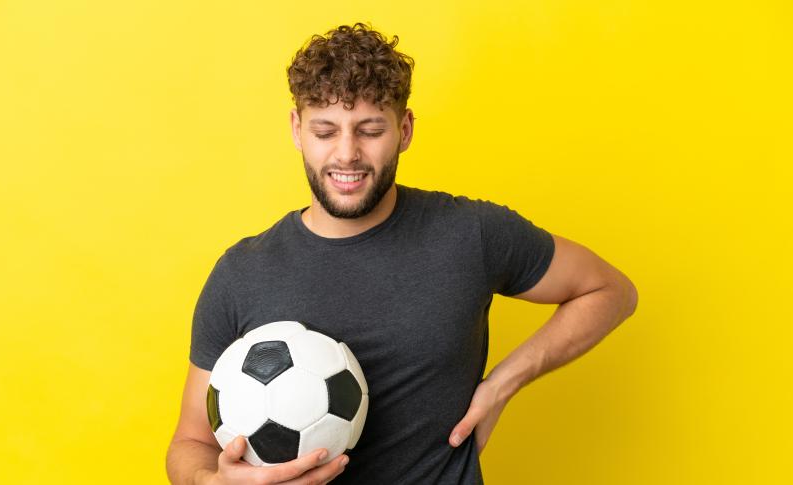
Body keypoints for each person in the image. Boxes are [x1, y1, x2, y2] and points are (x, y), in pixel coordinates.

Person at [166, 22, 638, 485]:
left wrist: (501, 386)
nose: (347, 154)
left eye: (370, 130)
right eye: (326, 131)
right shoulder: (241, 273)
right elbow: (190, 445)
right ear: (297, 129)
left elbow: (610, 290)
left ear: (405, 129)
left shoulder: (469, 234)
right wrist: (212, 482)